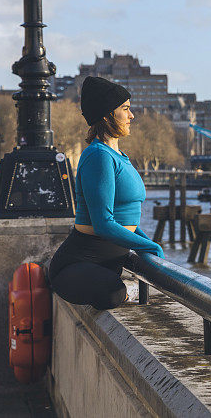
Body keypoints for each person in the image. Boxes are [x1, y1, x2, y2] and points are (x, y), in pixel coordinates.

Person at [49, 76, 164, 310]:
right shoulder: (98, 156)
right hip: (78, 263)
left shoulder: (119, 157)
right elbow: (103, 224)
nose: (132, 116)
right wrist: (151, 248)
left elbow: (126, 218)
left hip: (107, 262)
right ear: (107, 114)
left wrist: (144, 241)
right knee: (113, 294)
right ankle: (127, 290)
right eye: (125, 109)